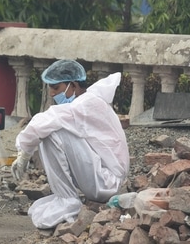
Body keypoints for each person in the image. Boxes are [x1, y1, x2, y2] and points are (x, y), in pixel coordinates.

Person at [11, 59, 129, 229]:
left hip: (107, 182)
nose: (51, 93)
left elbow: (42, 122)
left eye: (56, 87)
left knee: (50, 132)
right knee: (50, 128)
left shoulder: (85, 104)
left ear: (73, 85)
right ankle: (66, 198)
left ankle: (67, 200)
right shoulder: (86, 102)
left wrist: (24, 153)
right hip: (103, 177)